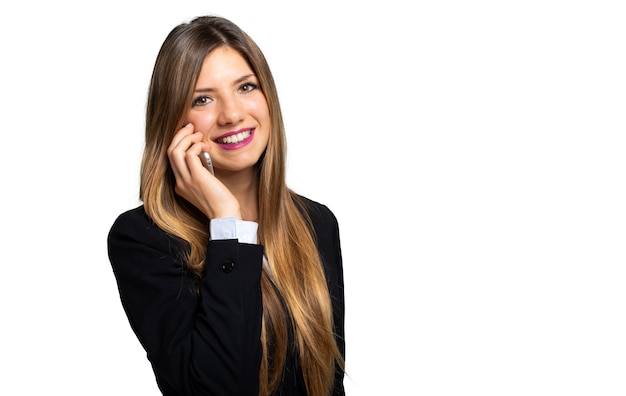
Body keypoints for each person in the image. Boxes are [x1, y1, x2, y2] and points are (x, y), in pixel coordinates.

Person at [107, 15, 346, 396]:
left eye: (246, 87)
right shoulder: (143, 239)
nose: (232, 114)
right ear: (174, 122)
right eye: (202, 99)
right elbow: (217, 389)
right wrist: (227, 223)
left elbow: (328, 383)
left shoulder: (315, 222)